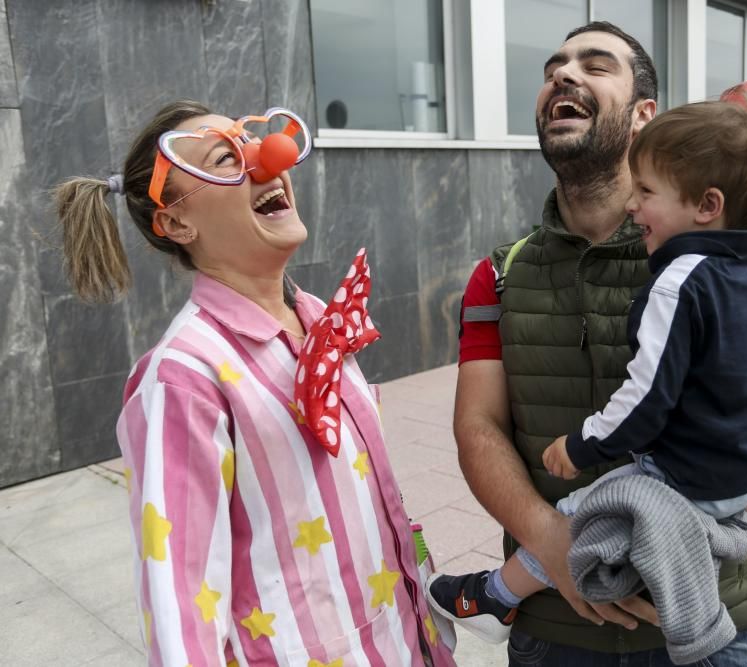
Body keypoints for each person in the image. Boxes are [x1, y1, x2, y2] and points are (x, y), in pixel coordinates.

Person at [443, 21, 747, 666]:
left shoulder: (732, 263)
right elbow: (478, 429)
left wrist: (687, 545)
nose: (563, 75)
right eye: (552, 69)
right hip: (556, 630)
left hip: (718, 629)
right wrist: (554, 547)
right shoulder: (499, 274)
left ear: (645, 115)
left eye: (595, 65)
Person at [53, 101, 455, 667]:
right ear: (175, 222)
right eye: (225, 158)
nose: (270, 160)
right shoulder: (184, 376)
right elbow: (181, 612)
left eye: (253, 142)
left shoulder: (318, 317)